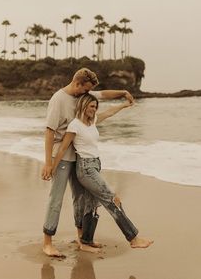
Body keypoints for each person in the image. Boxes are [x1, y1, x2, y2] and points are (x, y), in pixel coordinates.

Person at [41, 68, 134, 257]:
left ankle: (81, 238)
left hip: (79, 158)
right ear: (78, 84)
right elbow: (49, 131)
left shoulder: (84, 93)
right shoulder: (58, 99)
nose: (87, 94)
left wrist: (123, 93)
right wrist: (48, 163)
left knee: (80, 200)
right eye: (85, 90)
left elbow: (103, 95)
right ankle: (47, 242)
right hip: (62, 158)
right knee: (56, 200)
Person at [51, 93, 154, 252]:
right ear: (83, 106)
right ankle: (133, 238)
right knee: (112, 199)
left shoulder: (93, 122)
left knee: (92, 205)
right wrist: (51, 168)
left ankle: (86, 242)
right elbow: (63, 147)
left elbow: (109, 112)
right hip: (86, 169)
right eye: (91, 106)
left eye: (95, 107)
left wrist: (124, 105)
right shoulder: (75, 125)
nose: (94, 109)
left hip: (95, 165)